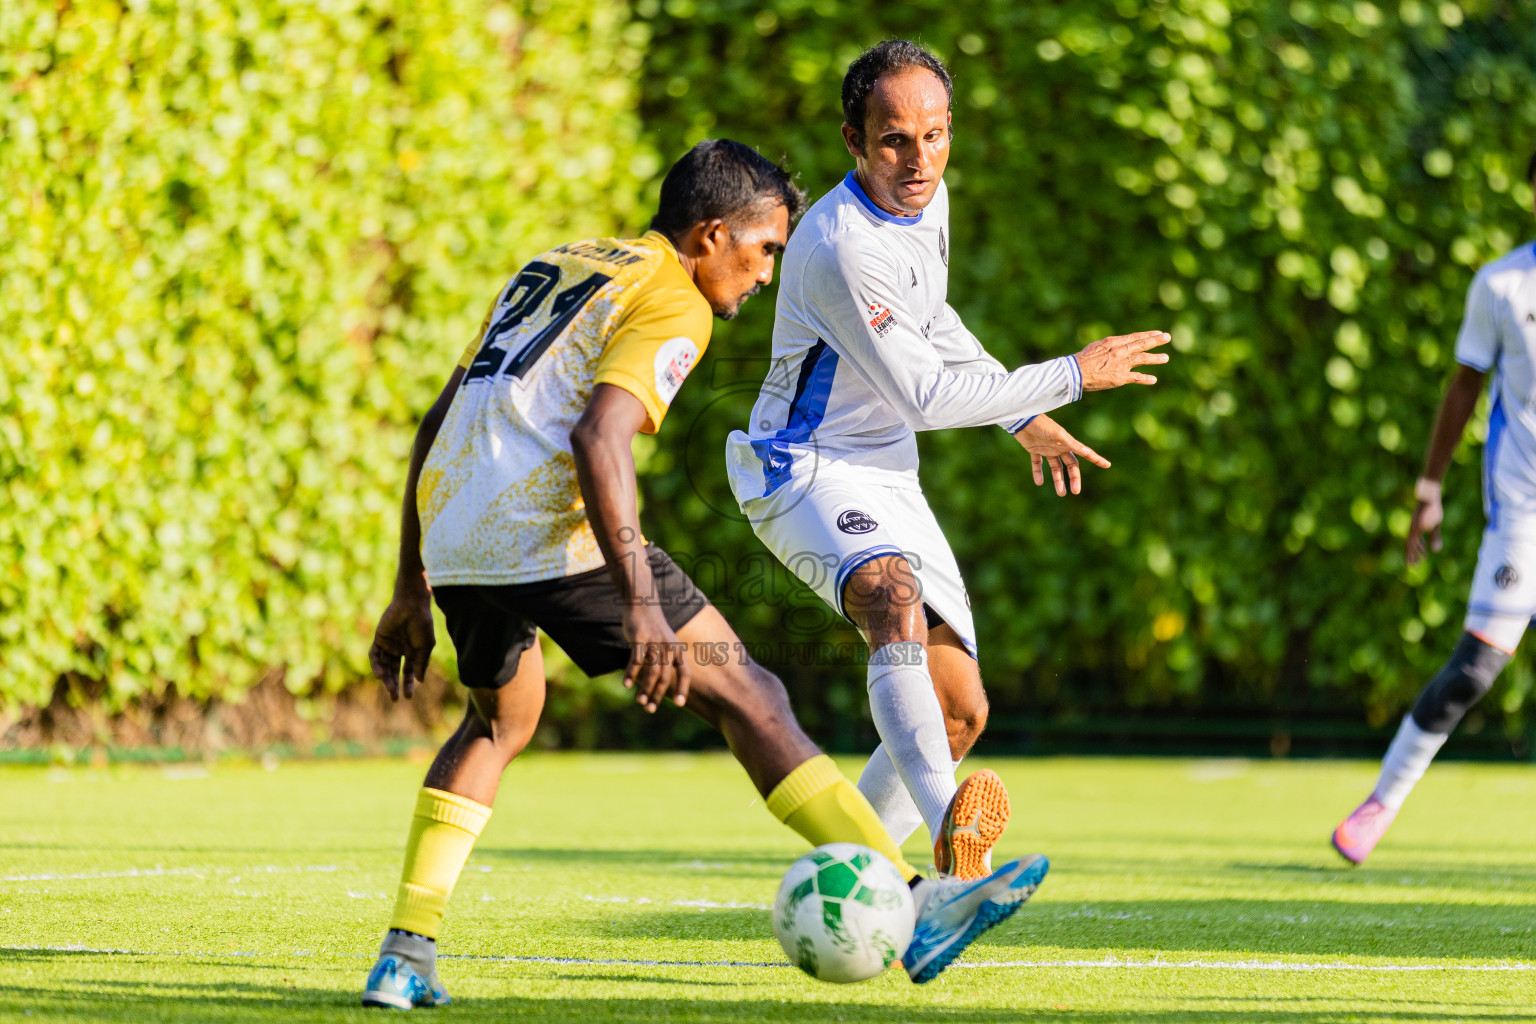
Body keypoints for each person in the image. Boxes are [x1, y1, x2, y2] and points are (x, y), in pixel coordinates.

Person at [361, 140, 1048, 1009]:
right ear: (712, 235)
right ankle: (916, 901)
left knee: (498, 723)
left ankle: (404, 956)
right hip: (545, 531)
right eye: (764, 249)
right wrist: (642, 606)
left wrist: (412, 582)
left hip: (459, 531)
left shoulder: (561, 262)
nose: (767, 274)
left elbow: (441, 416)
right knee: (751, 696)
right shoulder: (674, 298)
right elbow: (599, 437)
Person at [725, 41, 1171, 880]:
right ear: (854, 141)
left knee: (960, 713)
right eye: (894, 140)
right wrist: (1074, 374)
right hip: (802, 465)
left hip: (887, 469)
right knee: (889, 592)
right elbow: (925, 398)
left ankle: (860, 882)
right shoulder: (842, 245)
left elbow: (934, 323)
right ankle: (953, 845)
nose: (919, 160)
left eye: (935, 136)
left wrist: (1020, 413)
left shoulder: (927, 201)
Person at [1331, 151, 1536, 865]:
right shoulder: (1502, 284)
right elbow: (1464, 387)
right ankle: (1380, 803)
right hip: (1523, 512)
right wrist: (1429, 489)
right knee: (1474, 671)